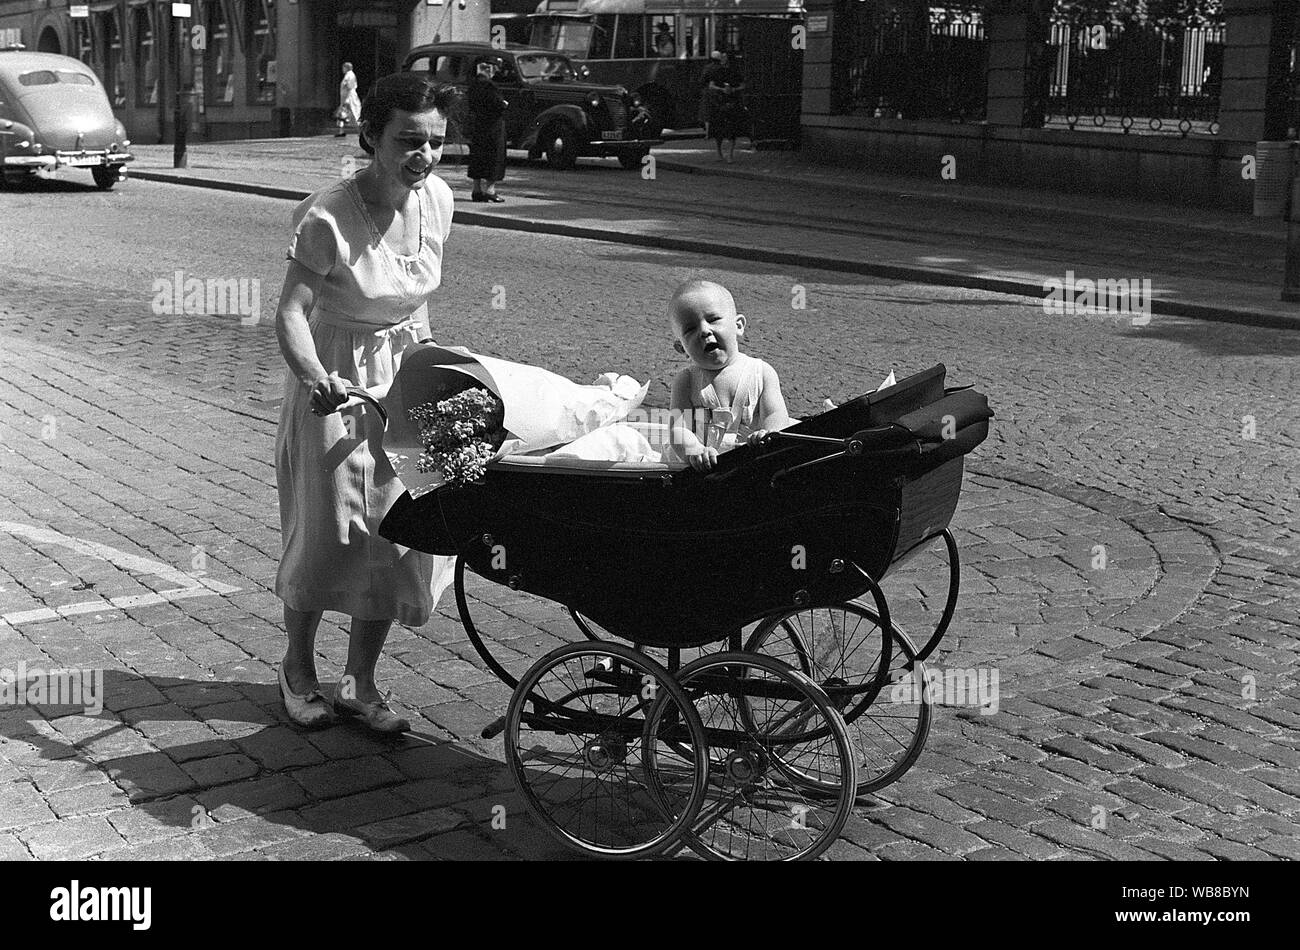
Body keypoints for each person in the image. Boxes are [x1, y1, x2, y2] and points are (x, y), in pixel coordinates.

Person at [274, 72, 460, 733]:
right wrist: (315, 375)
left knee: (398, 533)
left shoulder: (436, 199)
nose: (425, 155)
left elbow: (415, 295)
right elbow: (292, 313)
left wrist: (435, 367)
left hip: (405, 373)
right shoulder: (330, 215)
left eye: (436, 142)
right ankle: (297, 669)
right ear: (371, 137)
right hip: (337, 381)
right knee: (328, 536)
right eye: (409, 140)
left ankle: (359, 681)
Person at [668, 279, 792, 471]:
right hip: (701, 471)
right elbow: (678, 429)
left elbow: (776, 413)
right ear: (681, 347)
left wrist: (768, 432)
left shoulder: (761, 372)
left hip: (750, 464)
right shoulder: (686, 381)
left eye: (713, 319)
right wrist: (694, 450)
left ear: (738, 326)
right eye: (690, 329)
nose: (704, 330)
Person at [467, 59, 507, 202]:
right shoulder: (491, 87)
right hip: (493, 127)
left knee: (477, 157)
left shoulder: (474, 86)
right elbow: (499, 105)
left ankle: (476, 190)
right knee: (493, 157)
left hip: (478, 126)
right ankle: (490, 190)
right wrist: (504, 104)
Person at [701, 49, 746, 162]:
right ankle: (719, 153)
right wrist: (722, 89)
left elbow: (743, 85)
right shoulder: (717, 71)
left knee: (732, 130)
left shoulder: (735, 72)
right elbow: (711, 85)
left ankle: (730, 154)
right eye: (722, 57)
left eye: (724, 57)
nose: (722, 59)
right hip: (719, 102)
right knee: (718, 131)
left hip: (731, 101)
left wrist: (734, 89)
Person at [336, 61, 361, 137]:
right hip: (347, 97)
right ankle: (341, 131)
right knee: (342, 114)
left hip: (349, 97)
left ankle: (361, 131)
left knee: (354, 113)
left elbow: (348, 86)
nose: (342, 69)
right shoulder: (348, 75)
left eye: (343, 68)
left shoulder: (350, 75)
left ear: (346, 68)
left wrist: (345, 100)